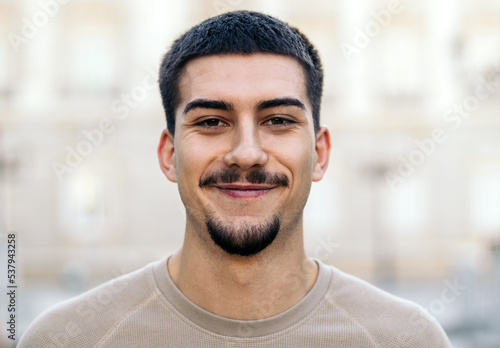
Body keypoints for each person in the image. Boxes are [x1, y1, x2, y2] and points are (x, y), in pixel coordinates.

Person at [18, 10, 452, 347]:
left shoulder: (408, 339)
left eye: (278, 119)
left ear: (319, 154)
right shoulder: (69, 338)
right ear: (169, 155)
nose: (246, 152)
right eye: (211, 121)